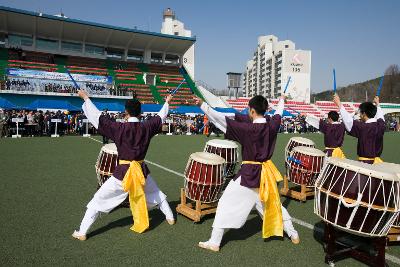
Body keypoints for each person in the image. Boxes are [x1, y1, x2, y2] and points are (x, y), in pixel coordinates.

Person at [195, 95, 299, 252]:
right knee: (271, 204)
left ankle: (214, 242)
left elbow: (220, 120)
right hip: (266, 175)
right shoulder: (273, 124)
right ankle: (293, 233)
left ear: (251, 110)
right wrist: (282, 100)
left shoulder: (248, 129)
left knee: (224, 203)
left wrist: (203, 105)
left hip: (250, 175)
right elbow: (279, 112)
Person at [72, 90, 175, 241]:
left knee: (98, 200)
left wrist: (86, 98)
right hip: (141, 172)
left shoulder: (118, 128)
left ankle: (82, 232)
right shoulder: (146, 127)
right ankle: (170, 217)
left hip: (122, 174)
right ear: (140, 113)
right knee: (155, 193)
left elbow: (99, 118)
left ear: (126, 112)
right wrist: (167, 102)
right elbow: (160, 116)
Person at [333, 94, 385, 164]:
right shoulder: (380, 125)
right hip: (378, 165)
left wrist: (339, 104)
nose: (359, 115)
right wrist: (377, 104)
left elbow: (349, 122)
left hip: (365, 165)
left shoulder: (363, 127)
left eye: (360, 113)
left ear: (364, 114)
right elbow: (380, 116)